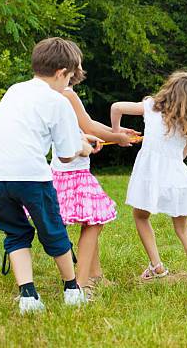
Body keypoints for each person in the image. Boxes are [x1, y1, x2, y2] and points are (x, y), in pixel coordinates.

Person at [0, 37, 100, 314]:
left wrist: (77, 139)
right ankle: (71, 289)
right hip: (30, 176)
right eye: (69, 78)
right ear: (60, 73)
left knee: (16, 231)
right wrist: (85, 146)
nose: (68, 84)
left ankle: (28, 297)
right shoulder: (58, 101)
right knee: (53, 230)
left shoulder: (14, 90)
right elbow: (68, 153)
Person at [110, 71, 187, 287]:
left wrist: (117, 134)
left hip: (149, 174)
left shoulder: (149, 107)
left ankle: (157, 266)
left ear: (170, 89)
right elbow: (182, 155)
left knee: (140, 217)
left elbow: (116, 107)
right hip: (176, 177)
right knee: (183, 228)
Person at [50, 62, 140, 298]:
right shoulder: (67, 94)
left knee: (90, 219)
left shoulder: (58, 94)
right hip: (73, 173)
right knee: (94, 222)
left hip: (64, 169)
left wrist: (117, 132)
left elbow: (86, 125)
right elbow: (88, 125)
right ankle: (80, 284)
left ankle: (95, 275)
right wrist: (117, 137)